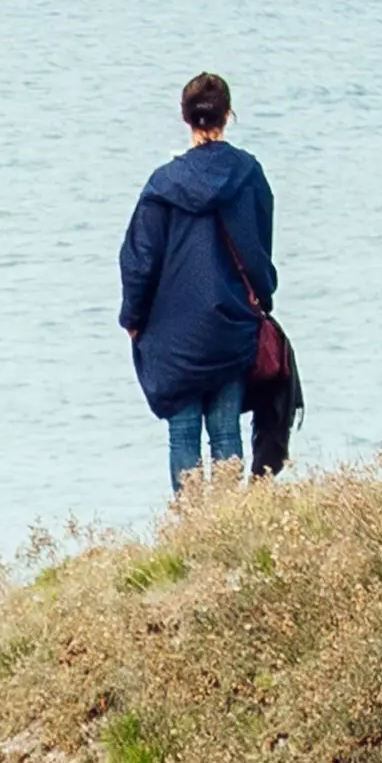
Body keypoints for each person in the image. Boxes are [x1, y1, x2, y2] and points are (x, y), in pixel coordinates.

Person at [116, 72, 279, 491]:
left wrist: (133, 319)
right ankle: (229, 528)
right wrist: (262, 299)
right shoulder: (249, 174)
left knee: (182, 434)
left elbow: (139, 261)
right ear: (228, 114)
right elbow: (260, 250)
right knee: (226, 433)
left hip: (174, 333)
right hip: (230, 324)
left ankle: (190, 531)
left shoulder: (162, 185)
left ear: (185, 117)